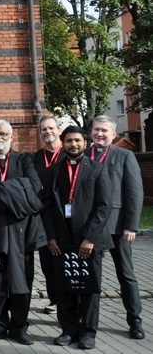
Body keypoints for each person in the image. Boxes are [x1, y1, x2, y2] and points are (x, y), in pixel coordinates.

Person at [0, 120, 46, 345]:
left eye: (3, 133)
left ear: (11, 137)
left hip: (22, 232)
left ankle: (19, 326)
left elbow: (33, 189)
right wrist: (13, 193)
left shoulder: (25, 159)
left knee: (22, 279)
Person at [42, 126, 112, 350]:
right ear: (63, 142)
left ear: (85, 143)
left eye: (78, 141)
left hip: (88, 241)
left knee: (90, 288)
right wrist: (51, 236)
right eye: (69, 140)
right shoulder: (53, 171)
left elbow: (104, 206)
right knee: (64, 286)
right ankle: (68, 330)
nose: (74, 144)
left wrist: (90, 238)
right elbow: (47, 206)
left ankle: (88, 333)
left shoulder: (98, 169)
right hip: (62, 241)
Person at [85, 115, 145, 340]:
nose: (99, 134)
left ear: (113, 134)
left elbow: (134, 192)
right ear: (91, 132)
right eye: (96, 130)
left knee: (126, 275)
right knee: (91, 277)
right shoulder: (84, 155)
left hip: (118, 227)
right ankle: (88, 322)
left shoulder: (125, 156)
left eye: (104, 131)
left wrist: (131, 225)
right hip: (90, 228)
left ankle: (135, 320)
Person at [34, 115, 64, 315]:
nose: (47, 132)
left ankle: (71, 300)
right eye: (44, 129)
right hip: (43, 216)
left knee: (65, 261)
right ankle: (54, 299)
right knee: (47, 262)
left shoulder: (68, 153)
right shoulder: (36, 157)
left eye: (51, 128)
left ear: (59, 129)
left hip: (65, 217)